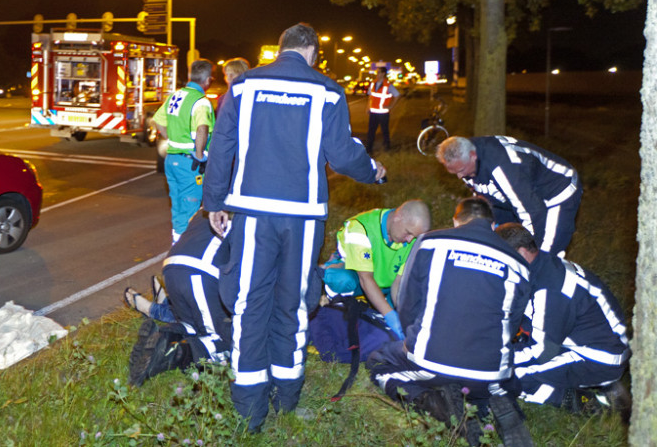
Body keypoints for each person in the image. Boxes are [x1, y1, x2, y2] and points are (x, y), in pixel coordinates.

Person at [203, 23, 385, 431]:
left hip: (251, 213)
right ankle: (287, 399)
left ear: (281, 49)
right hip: (302, 218)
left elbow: (221, 145)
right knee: (293, 304)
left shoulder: (245, 85)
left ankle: (248, 413)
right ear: (313, 53)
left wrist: (214, 202)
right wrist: (373, 172)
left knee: (250, 304)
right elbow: (341, 154)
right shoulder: (326, 90)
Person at [368, 197, 534, 446]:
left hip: (432, 359)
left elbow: (407, 301)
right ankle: (494, 400)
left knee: (378, 363)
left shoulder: (430, 242)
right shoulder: (520, 265)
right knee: (497, 381)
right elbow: (511, 325)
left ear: (456, 221)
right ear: (492, 225)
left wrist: (413, 337)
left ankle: (433, 403)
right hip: (489, 369)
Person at [495, 223, 630, 418]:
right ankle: (608, 386)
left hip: (598, 357)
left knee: (510, 376)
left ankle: (586, 403)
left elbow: (543, 352)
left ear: (522, 253)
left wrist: (496, 358)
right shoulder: (544, 265)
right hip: (600, 344)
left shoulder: (550, 290)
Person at [436, 135, 581, 257]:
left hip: (556, 191)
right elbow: (488, 203)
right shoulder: (466, 161)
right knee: (501, 243)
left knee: (544, 253)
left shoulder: (502, 166)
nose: (460, 176)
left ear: (473, 156)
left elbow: (533, 212)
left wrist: (530, 249)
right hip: (519, 196)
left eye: (461, 170)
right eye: (454, 173)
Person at [124, 212, 231, 364]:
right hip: (199, 272)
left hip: (171, 267)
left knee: (192, 325)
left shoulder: (207, 207)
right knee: (222, 339)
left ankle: (163, 332)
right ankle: (167, 353)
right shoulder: (243, 212)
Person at [320, 199, 431, 339]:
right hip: (358, 280)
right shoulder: (360, 228)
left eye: (414, 237)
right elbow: (365, 279)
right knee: (342, 280)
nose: (409, 240)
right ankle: (338, 305)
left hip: (385, 287)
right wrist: (390, 316)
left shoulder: (412, 238)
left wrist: (402, 316)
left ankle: (375, 312)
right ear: (398, 217)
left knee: (410, 297)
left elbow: (399, 282)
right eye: (408, 233)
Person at [153, 59, 216, 243]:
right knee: (191, 206)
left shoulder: (175, 95)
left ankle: (176, 240)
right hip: (190, 163)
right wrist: (199, 154)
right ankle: (185, 248)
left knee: (178, 204)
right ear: (208, 80)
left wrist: (172, 139)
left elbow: (158, 121)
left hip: (172, 159)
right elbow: (202, 128)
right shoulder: (201, 101)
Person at [364, 66, 399, 153]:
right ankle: (369, 149)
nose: (377, 74)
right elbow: (370, 97)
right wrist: (368, 106)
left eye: (379, 72)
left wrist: (390, 106)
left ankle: (387, 148)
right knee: (371, 131)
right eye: (377, 72)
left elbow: (397, 95)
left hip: (383, 113)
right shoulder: (373, 83)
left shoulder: (388, 85)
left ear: (383, 74)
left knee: (385, 131)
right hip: (373, 112)